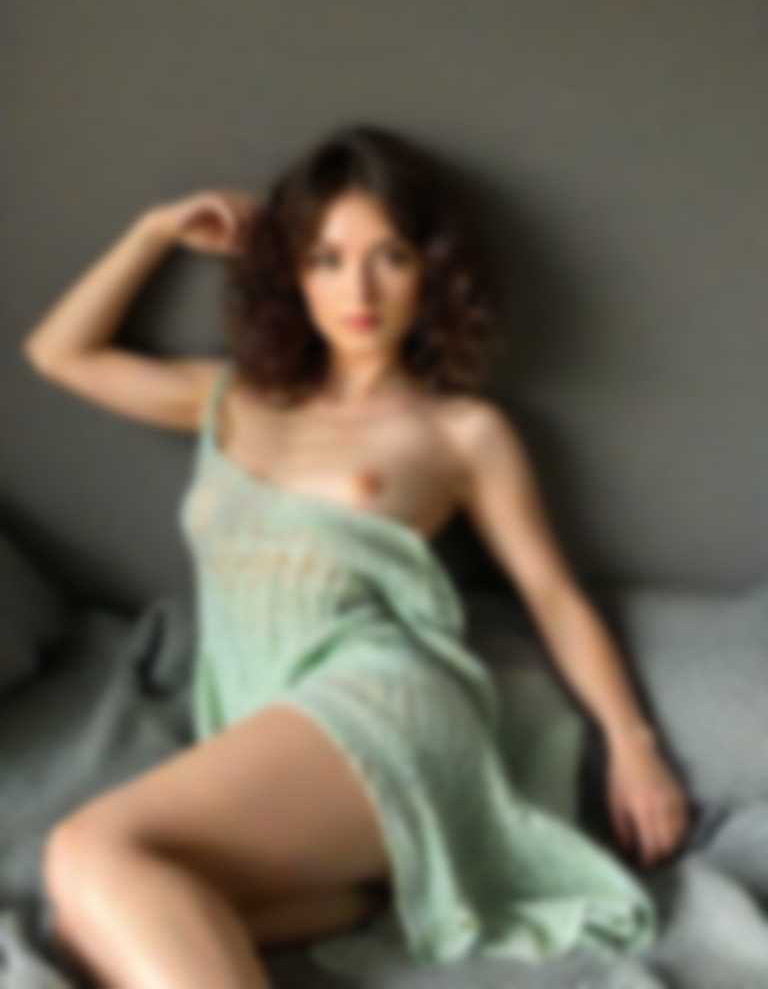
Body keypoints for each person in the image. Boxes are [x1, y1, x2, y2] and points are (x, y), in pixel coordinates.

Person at [25, 123, 691, 988]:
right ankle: (356, 897)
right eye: (328, 260)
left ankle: (371, 875)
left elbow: (552, 593)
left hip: (386, 707)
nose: (359, 291)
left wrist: (633, 745)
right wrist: (154, 230)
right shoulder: (230, 397)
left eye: (391, 258)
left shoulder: (462, 431)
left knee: (87, 849)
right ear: (293, 274)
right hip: (267, 724)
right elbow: (57, 353)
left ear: (431, 272)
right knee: (88, 911)